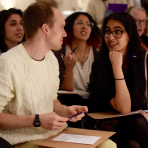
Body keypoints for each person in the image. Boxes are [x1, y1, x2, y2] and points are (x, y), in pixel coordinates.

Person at [0, 1, 116, 148]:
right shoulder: (7, 63)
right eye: (62, 27)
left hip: (54, 134)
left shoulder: (50, 59)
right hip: (24, 139)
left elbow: (51, 100)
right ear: (46, 29)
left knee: (108, 145)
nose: (65, 33)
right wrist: (37, 120)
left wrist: (65, 110)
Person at [87, 12, 148, 148]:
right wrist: (116, 66)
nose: (111, 37)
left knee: (132, 145)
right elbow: (124, 108)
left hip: (136, 122)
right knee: (137, 122)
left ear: (130, 35)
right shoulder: (99, 66)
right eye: (107, 32)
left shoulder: (142, 60)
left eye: (118, 32)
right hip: (105, 123)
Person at [53, 11, 100, 107]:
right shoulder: (59, 52)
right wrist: (69, 68)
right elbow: (66, 91)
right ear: (70, 27)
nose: (84, 27)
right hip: (69, 101)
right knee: (71, 99)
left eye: (88, 24)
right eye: (79, 23)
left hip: (93, 101)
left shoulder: (97, 54)